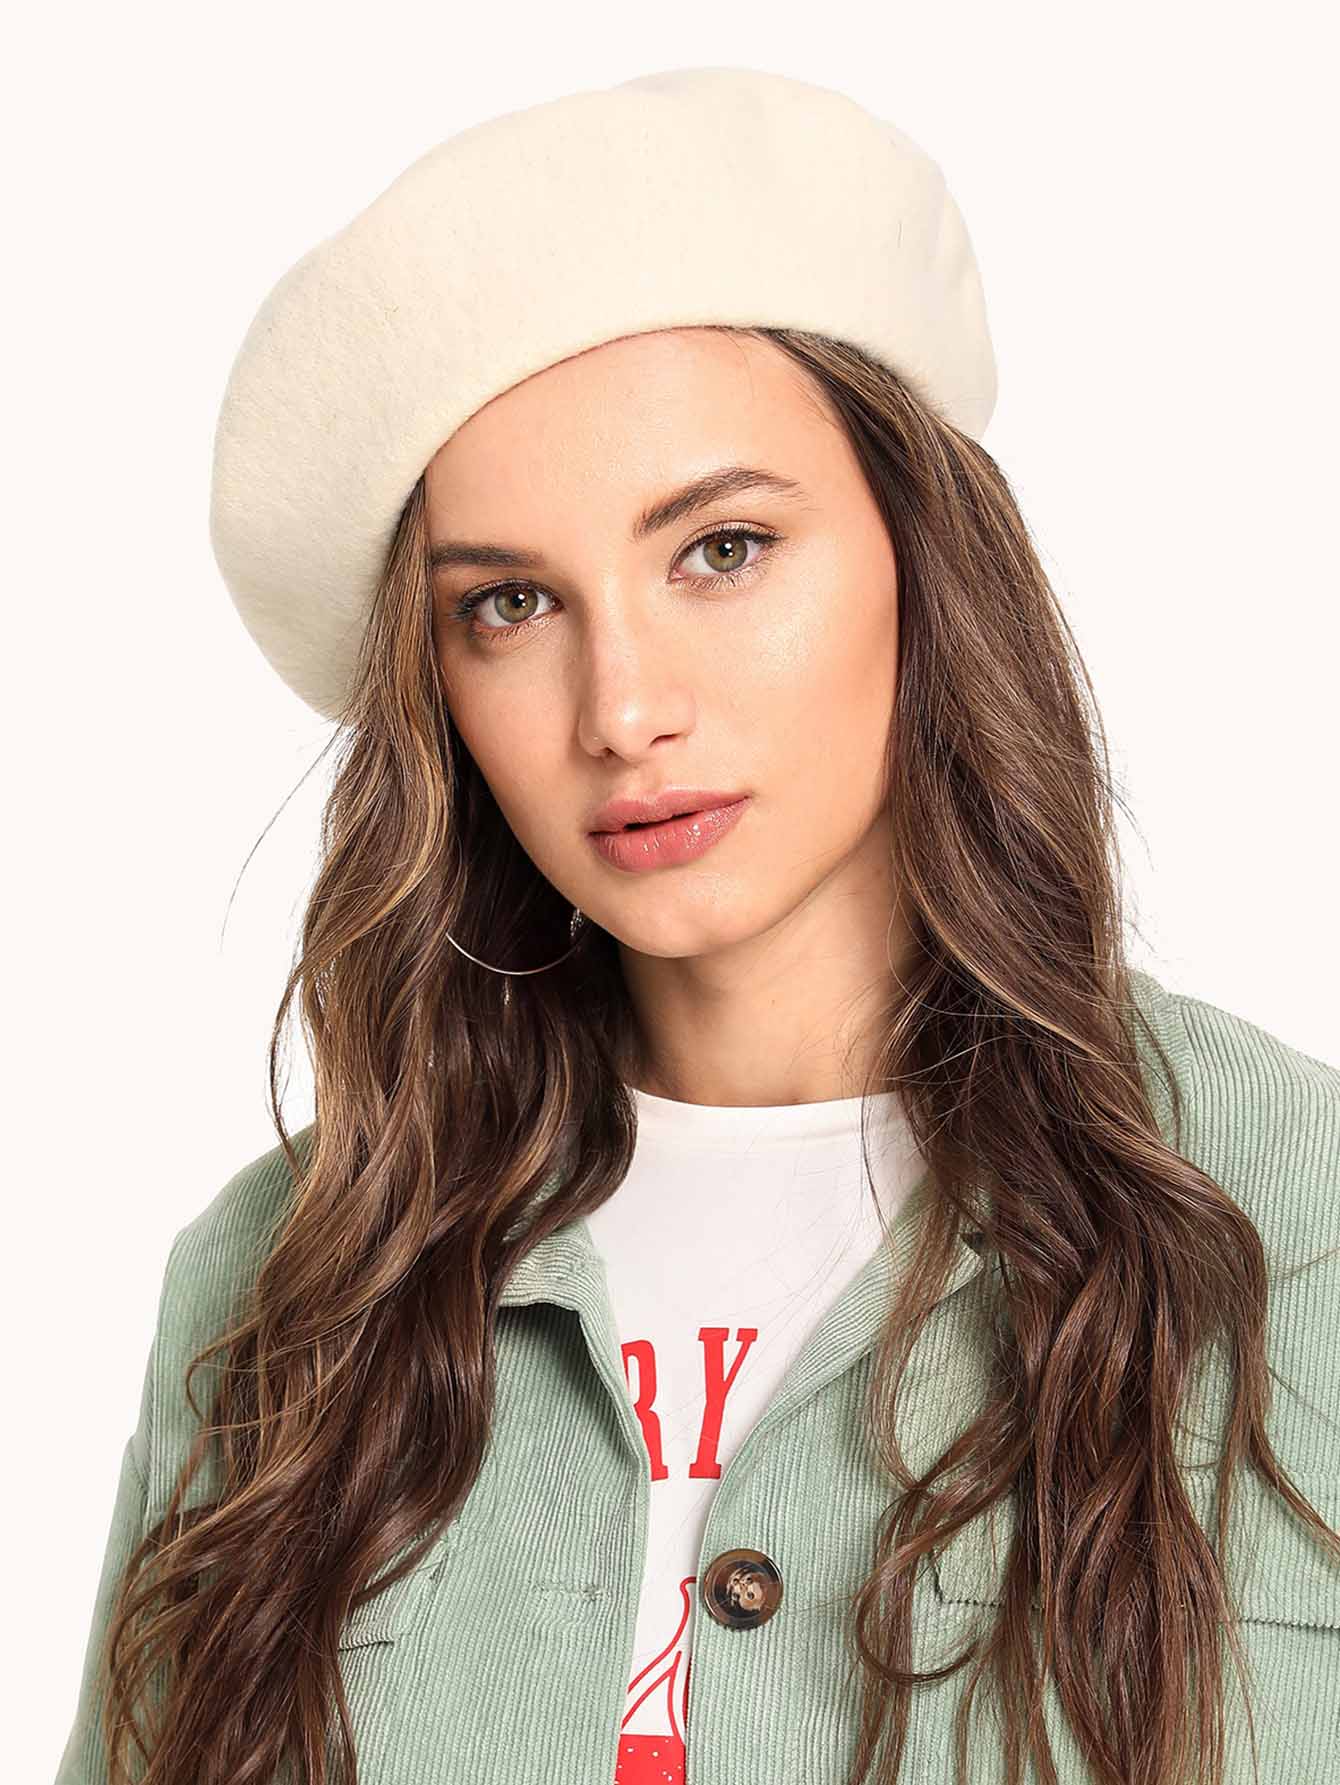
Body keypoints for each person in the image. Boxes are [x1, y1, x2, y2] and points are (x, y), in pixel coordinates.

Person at [56, 65, 1339, 1785]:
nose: (622, 706)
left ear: (922, 556)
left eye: (722, 549)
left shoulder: (1299, 1223)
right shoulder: (280, 1290)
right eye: (511, 603)